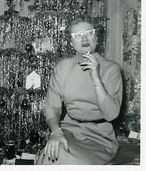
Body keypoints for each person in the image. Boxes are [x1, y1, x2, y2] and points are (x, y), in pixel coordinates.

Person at [36, 16, 122, 165]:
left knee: (63, 159)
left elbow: (111, 114)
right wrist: (56, 132)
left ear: (96, 37)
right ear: (71, 42)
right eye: (77, 36)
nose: (84, 38)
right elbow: (52, 106)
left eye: (89, 32)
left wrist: (96, 78)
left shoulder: (111, 69)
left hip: (100, 137)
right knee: (49, 155)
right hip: (69, 130)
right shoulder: (63, 68)